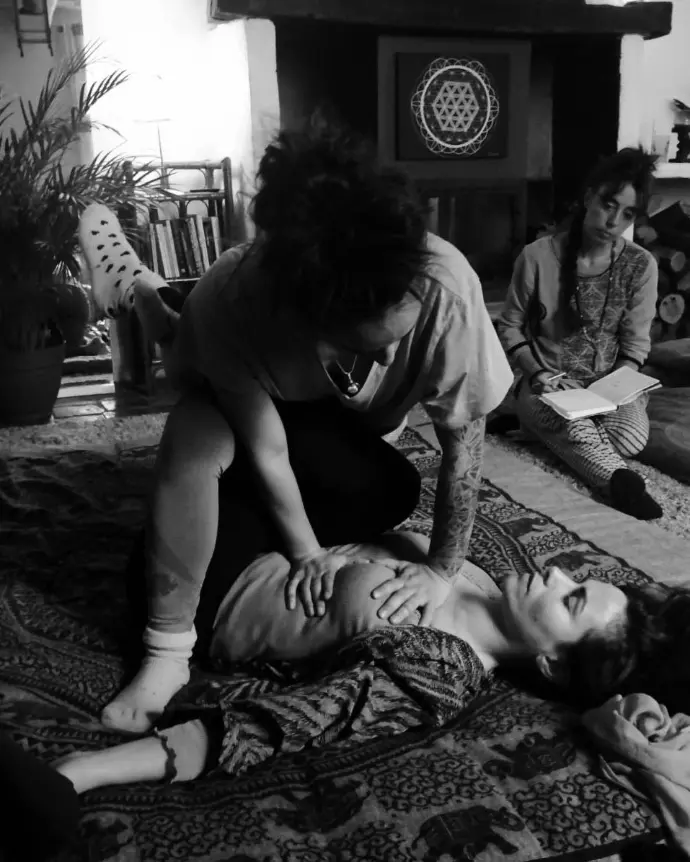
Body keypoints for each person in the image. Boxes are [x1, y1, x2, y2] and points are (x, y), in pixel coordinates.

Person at [76, 119, 514, 735]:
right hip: (232, 385)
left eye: (400, 333)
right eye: (366, 346)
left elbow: (463, 451)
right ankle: (140, 289)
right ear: (308, 319)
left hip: (331, 432)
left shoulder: (447, 287)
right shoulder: (233, 301)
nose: (391, 358)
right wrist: (306, 554)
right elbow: (268, 450)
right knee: (193, 415)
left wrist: (441, 570)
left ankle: (152, 300)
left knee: (395, 488)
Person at [4, 556, 688, 862]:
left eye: (571, 598)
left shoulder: (436, 673)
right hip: (259, 531)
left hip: (203, 585)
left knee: (211, 420)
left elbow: (276, 726)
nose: (556, 572)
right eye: (577, 577)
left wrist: (84, 771)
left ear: (552, 665)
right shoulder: (476, 572)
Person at [495, 147, 662, 521]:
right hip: (547, 383)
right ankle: (619, 481)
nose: (613, 220)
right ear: (588, 198)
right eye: (607, 205)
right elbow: (510, 326)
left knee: (630, 438)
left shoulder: (641, 265)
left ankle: (542, 431)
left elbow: (636, 343)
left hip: (610, 386)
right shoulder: (537, 256)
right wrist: (538, 374)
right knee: (567, 420)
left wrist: (614, 388)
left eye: (627, 214)